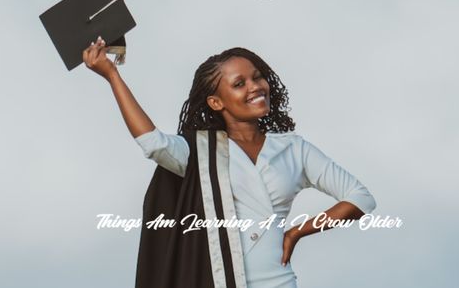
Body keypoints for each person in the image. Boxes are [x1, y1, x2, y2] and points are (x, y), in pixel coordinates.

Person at [83, 38, 376, 288]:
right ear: (216, 102)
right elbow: (153, 143)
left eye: (257, 77)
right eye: (239, 83)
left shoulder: (293, 149)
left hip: (279, 282)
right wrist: (112, 76)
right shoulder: (199, 151)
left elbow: (360, 199)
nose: (255, 86)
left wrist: (297, 231)